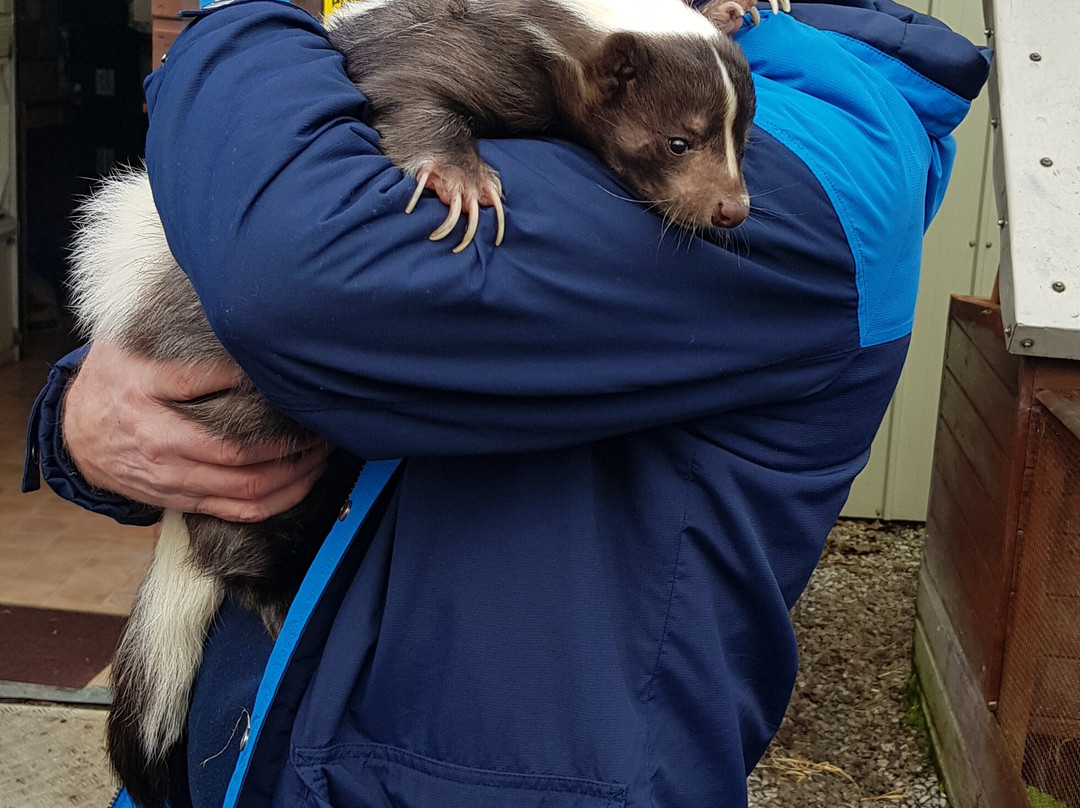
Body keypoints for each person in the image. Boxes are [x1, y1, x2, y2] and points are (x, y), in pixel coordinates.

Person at [23, 1, 990, 806]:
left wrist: (227, 21)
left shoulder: (816, 165)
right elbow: (235, 293)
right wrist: (84, 422)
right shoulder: (619, 65)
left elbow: (298, 278)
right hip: (287, 731)